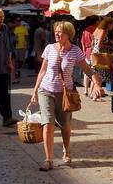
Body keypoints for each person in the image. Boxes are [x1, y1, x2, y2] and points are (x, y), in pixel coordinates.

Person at [33, 21, 101, 171]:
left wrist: (96, 83)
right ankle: (48, 159)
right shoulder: (49, 49)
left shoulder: (75, 51)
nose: (57, 34)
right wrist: (35, 91)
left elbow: (88, 70)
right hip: (46, 91)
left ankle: (67, 150)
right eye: (56, 31)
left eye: (60, 32)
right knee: (48, 124)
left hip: (65, 94)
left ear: (68, 34)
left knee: (65, 126)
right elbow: (42, 71)